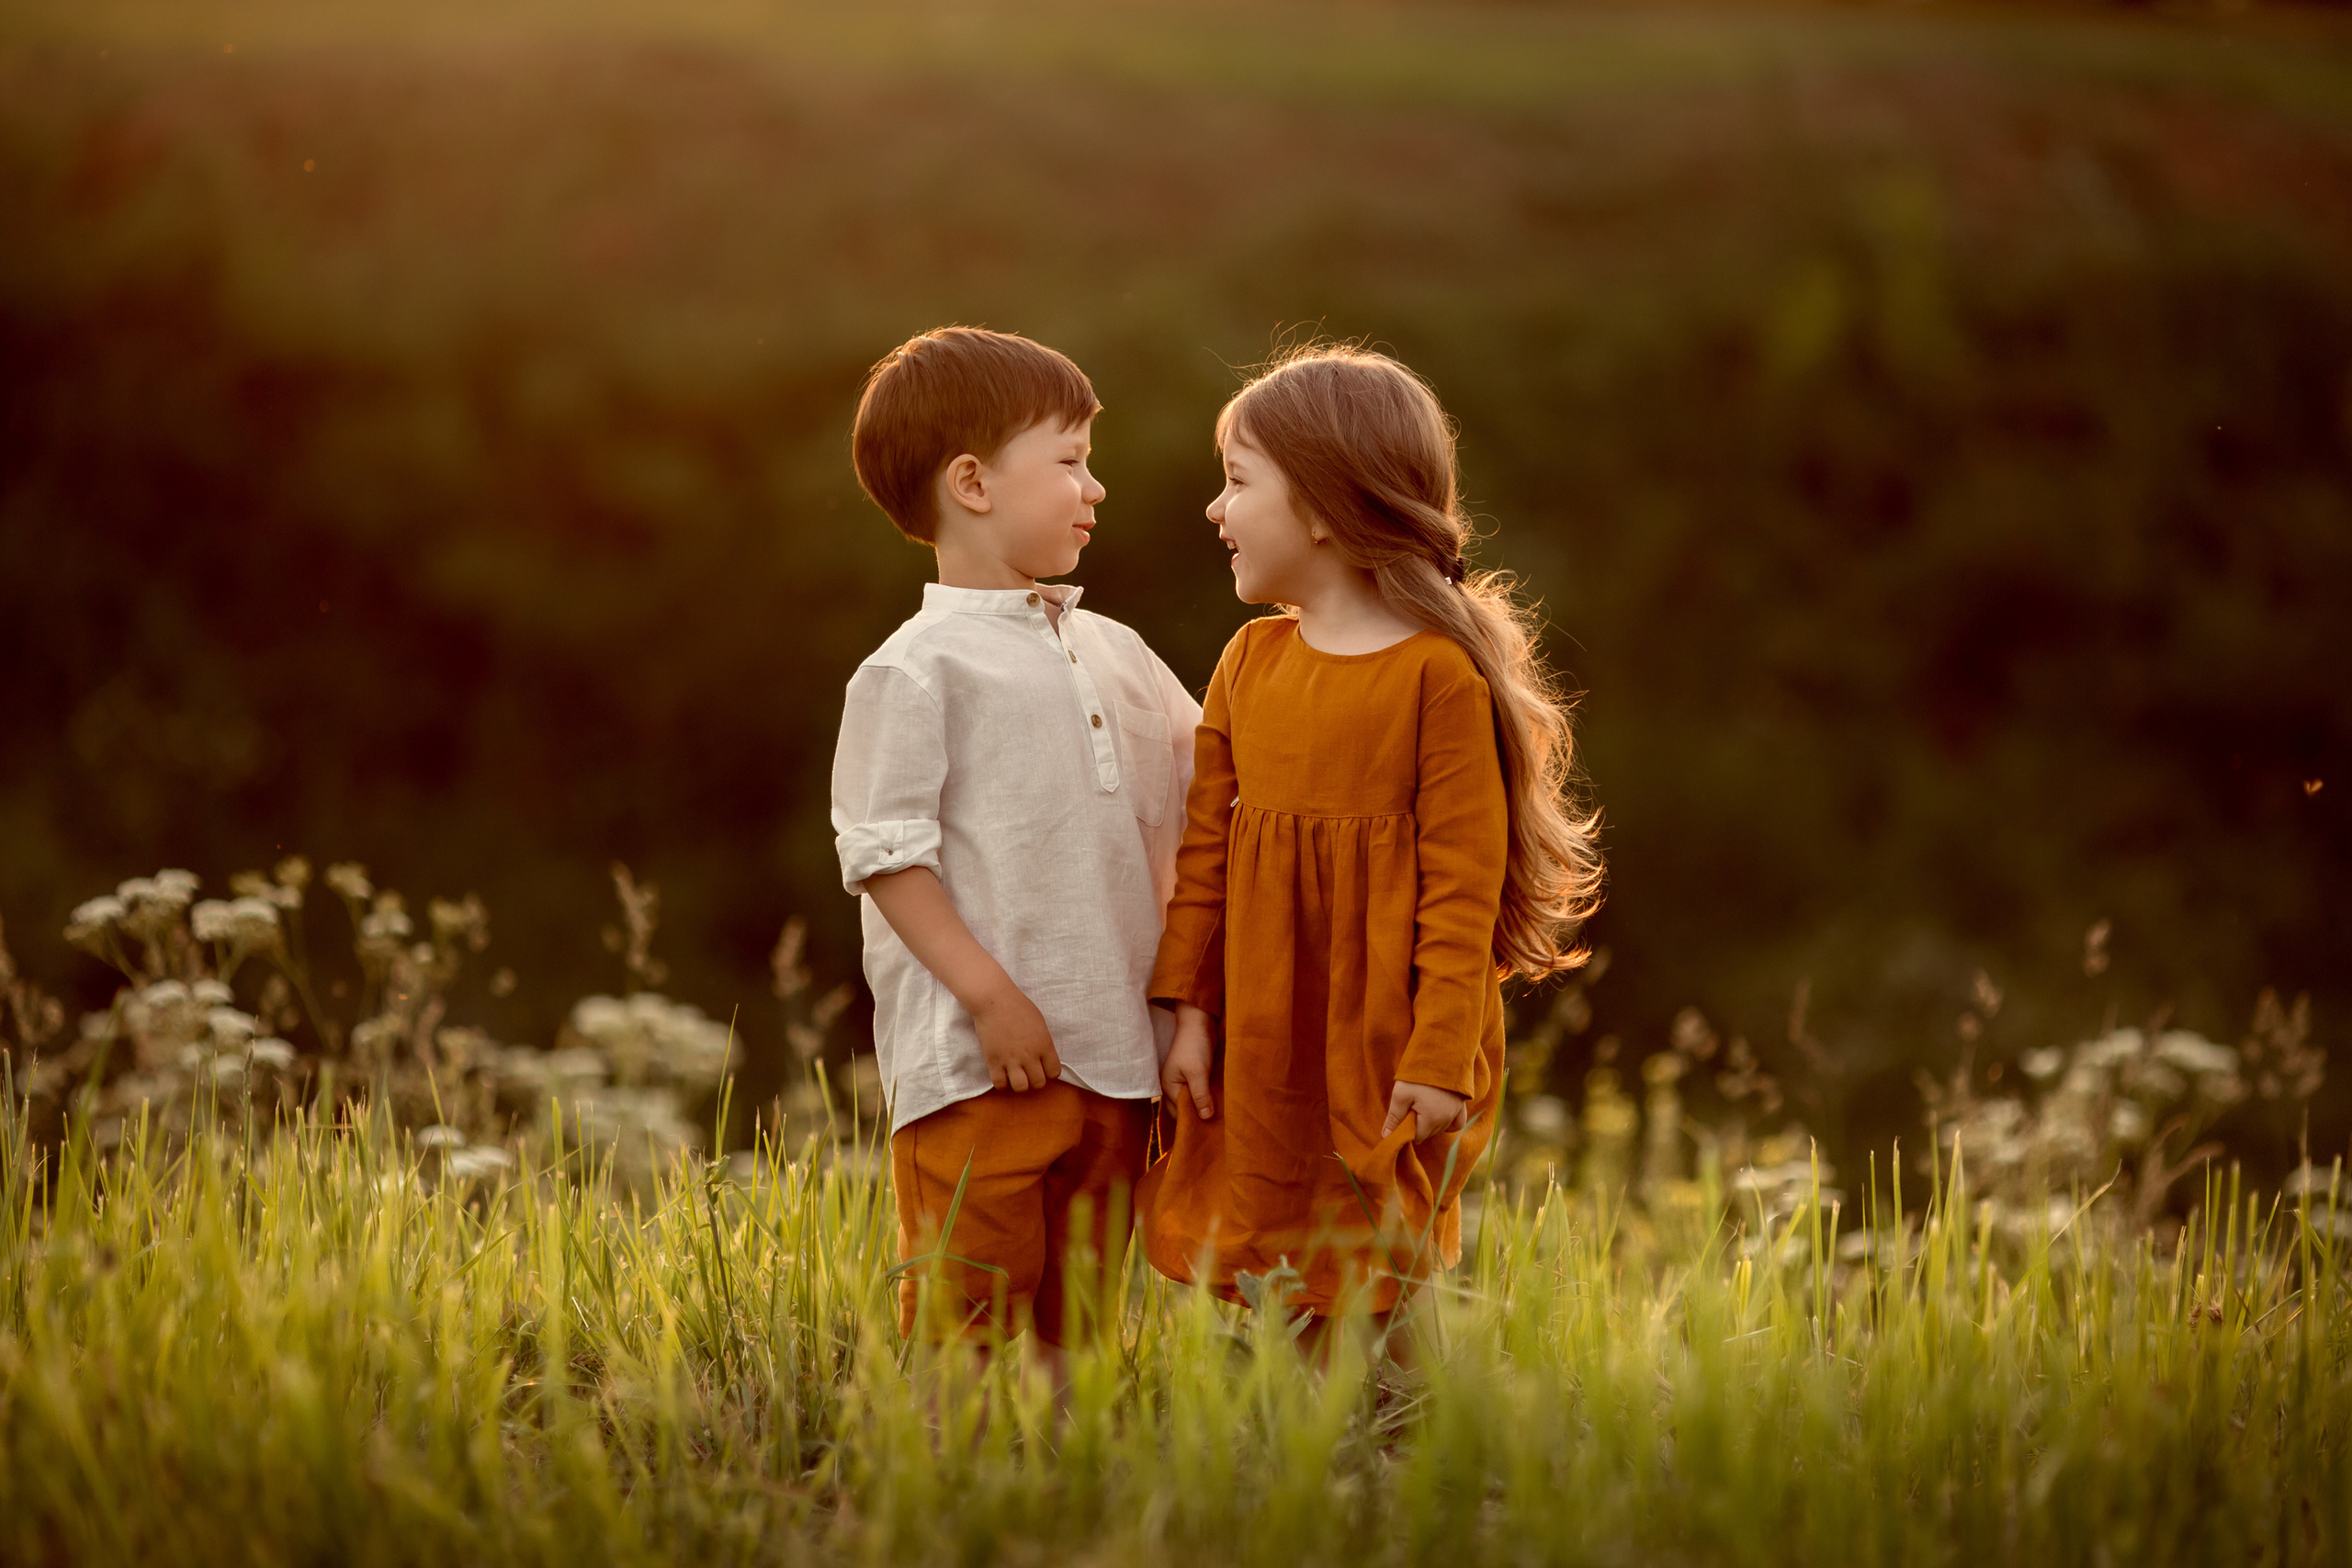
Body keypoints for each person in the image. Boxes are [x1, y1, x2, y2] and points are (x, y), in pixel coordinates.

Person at [1140, 343, 1604, 1343]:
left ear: (1319, 503)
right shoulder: (1247, 661)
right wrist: (1185, 1008)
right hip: (1262, 1021)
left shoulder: (1436, 678)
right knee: (1259, 1236)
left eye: (1235, 482)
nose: (1214, 511)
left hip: (1381, 1036)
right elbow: (1204, 860)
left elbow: (1460, 885)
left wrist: (1440, 1057)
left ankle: (1414, 1447)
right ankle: (1285, 1443)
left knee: (1376, 1253)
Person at [831, 326, 1199, 1355]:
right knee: (970, 1316)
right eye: (1072, 461)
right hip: (980, 1064)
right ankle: (955, 1498)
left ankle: (1060, 1499)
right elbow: (884, 855)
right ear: (972, 483)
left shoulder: (1116, 649)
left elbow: (1215, 768)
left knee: (1080, 1322)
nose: (1098, 488)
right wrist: (991, 1000)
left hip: (1118, 1057)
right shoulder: (916, 669)